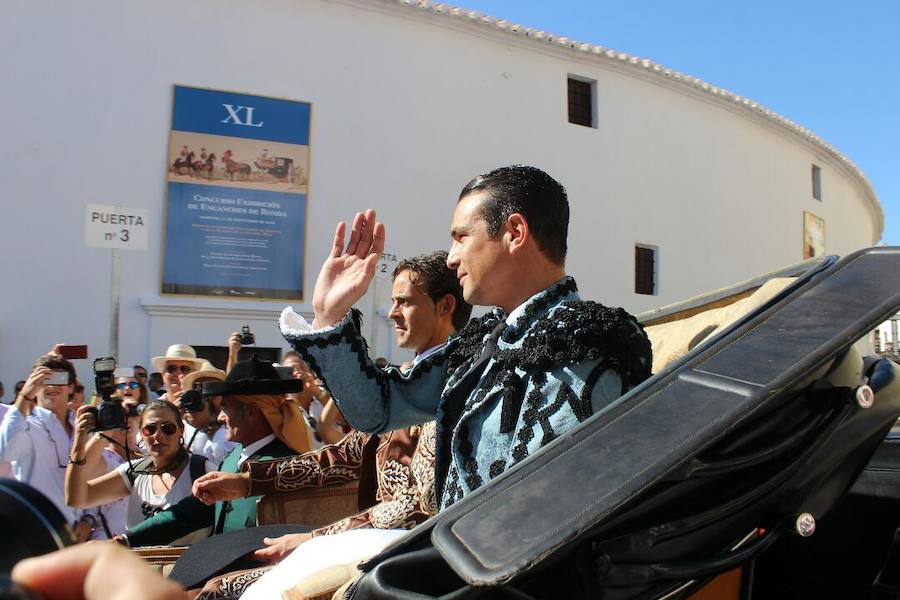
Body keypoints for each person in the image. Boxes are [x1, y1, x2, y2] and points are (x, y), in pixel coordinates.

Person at [280, 165, 652, 512]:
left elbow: (536, 508)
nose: (452, 258)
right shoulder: (485, 340)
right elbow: (378, 410)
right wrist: (330, 314)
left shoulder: (583, 341)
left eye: (461, 237)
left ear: (515, 233)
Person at [191, 250, 472, 599]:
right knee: (214, 587)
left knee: (225, 592)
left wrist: (313, 540)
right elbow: (342, 457)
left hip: (417, 553)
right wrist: (249, 482)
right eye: (393, 302)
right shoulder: (399, 382)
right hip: (369, 543)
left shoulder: (461, 384)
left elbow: (420, 505)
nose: (393, 313)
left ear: (445, 306)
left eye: (405, 302)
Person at [119, 359, 311, 547]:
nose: (220, 417)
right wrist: (128, 539)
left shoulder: (288, 466)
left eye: (225, 408)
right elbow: (192, 513)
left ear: (251, 412)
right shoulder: (231, 459)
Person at [65, 399, 210, 544]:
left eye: (168, 428)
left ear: (181, 430)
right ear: (142, 433)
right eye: (150, 429)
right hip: (138, 565)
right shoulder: (135, 471)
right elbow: (76, 498)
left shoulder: (202, 470)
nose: (158, 435)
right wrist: (83, 438)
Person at [0, 355, 80, 522]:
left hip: (78, 533)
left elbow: (92, 477)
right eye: (44, 379)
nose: (51, 386)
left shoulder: (81, 425)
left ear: (71, 387)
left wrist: (89, 518)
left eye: (59, 379)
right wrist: (25, 397)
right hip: (39, 527)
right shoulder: (27, 425)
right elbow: (5, 450)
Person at [180, 362, 233, 466]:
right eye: (199, 388)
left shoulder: (233, 428)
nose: (206, 396)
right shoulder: (184, 426)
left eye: (212, 388)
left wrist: (211, 428)